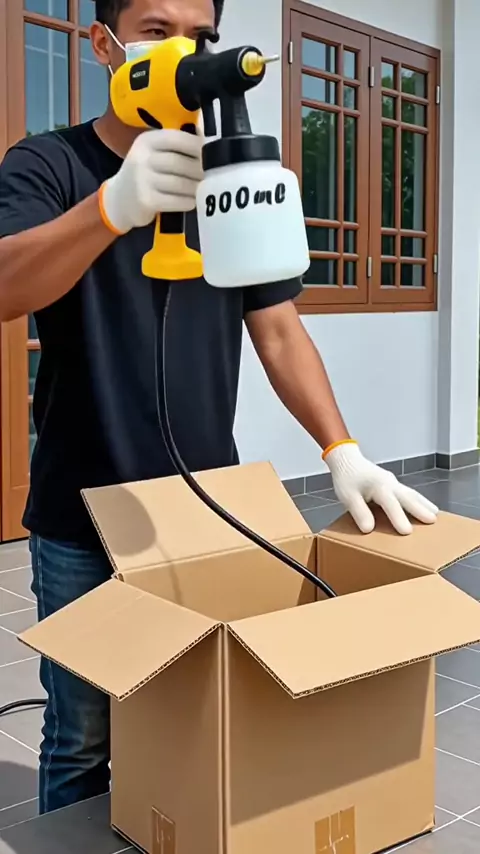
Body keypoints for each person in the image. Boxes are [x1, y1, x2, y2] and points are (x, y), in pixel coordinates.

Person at [0, 0, 438, 816]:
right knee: (83, 735)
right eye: (156, 31)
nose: (185, 52)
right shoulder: (49, 165)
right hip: (81, 512)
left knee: (194, 717)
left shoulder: (235, 183)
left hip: (200, 512)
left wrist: (342, 450)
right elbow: (4, 286)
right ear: (104, 45)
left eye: (200, 36)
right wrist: (110, 209)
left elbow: (277, 328)